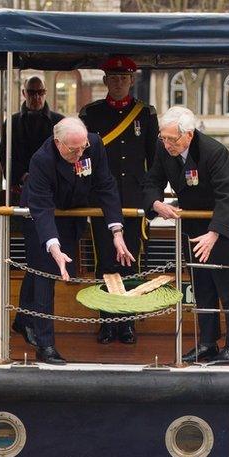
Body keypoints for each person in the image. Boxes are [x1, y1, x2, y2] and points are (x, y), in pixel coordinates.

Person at [142, 107, 229, 365]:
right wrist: (156, 203)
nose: (166, 144)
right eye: (163, 138)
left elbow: (228, 195)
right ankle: (208, 342)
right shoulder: (164, 147)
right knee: (203, 285)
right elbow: (152, 180)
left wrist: (214, 233)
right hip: (196, 225)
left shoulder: (213, 152)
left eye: (172, 140)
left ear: (188, 134)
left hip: (227, 224)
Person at [16, 117, 134, 365]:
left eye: (83, 148)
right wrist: (53, 246)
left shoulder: (93, 144)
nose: (81, 153)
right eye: (74, 149)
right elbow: (42, 207)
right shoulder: (42, 159)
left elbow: (106, 185)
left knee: (45, 270)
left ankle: (22, 318)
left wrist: (117, 231)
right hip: (39, 216)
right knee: (44, 272)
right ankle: (45, 345)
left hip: (71, 213)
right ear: (58, 143)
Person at [79, 55, 159, 345]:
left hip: (134, 201)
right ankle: (106, 322)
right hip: (102, 201)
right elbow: (83, 160)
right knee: (105, 262)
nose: (118, 83)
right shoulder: (91, 114)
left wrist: (154, 199)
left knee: (131, 263)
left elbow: (155, 161)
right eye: (113, 78)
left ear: (131, 80)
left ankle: (127, 323)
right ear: (105, 81)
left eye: (123, 78)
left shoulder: (145, 114)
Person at [0, 76, 64, 195]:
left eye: (40, 92)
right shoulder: (11, 123)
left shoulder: (60, 122)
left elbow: (65, 157)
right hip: (20, 187)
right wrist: (21, 176)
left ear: (45, 93)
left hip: (52, 187)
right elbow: (5, 156)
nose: (36, 97)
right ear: (24, 93)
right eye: (31, 92)